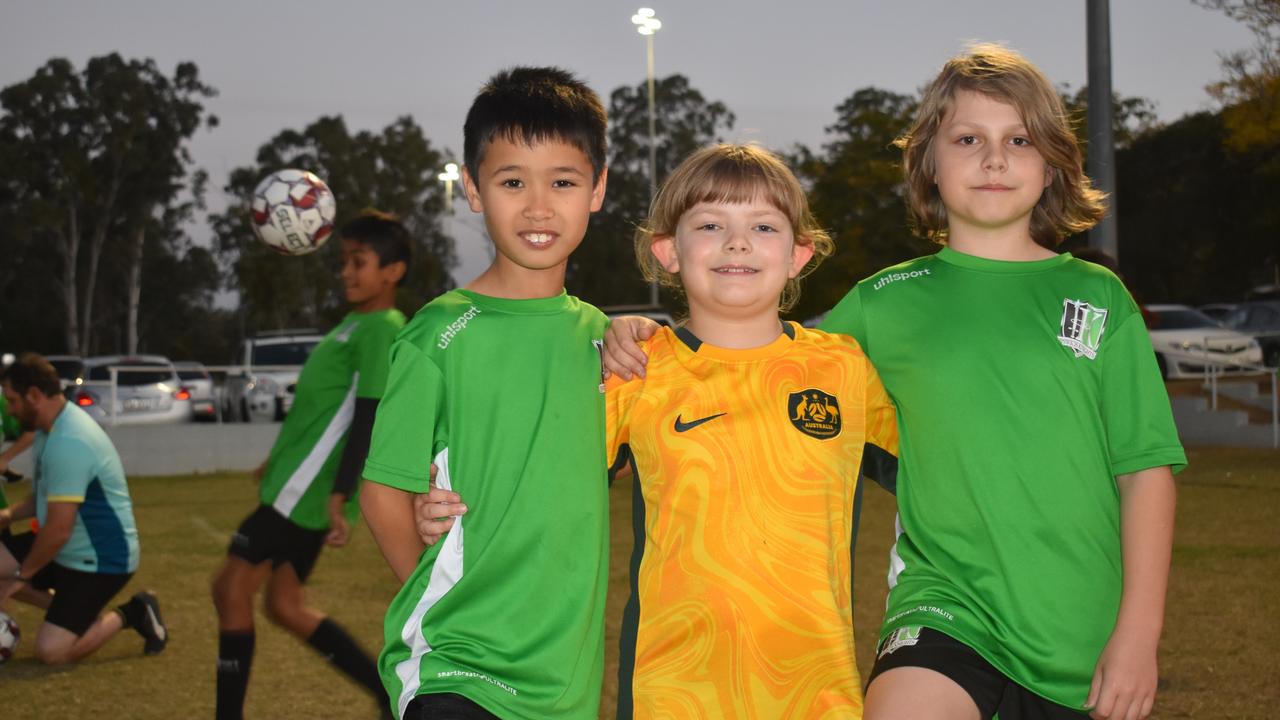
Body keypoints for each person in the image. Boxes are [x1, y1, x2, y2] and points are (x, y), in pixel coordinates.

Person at [604, 44, 1185, 720]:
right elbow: (752, 353)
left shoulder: (1099, 298)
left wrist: (1138, 636)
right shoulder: (881, 305)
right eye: (968, 138)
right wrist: (646, 341)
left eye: (1019, 139)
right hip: (945, 609)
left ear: (1053, 161)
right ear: (929, 164)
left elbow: (1145, 472)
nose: (993, 158)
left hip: (1079, 623)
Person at [415, 144, 901, 718]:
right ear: (667, 250)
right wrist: (442, 506)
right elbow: (534, 488)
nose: (737, 242)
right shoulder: (636, 369)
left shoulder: (845, 369)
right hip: (671, 691)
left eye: (763, 226)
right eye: (711, 224)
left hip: (818, 693)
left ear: (799, 254)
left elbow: (943, 483)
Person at [359, 66, 611, 720]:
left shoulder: (606, 341)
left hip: (565, 682)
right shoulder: (438, 336)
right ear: (472, 188)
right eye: (511, 182)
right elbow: (386, 490)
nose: (537, 206)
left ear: (598, 190)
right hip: (459, 668)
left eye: (562, 182)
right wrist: (439, 581)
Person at [211, 210, 410, 720]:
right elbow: (324, 409)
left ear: (393, 272)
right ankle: (386, 697)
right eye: (343, 261)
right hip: (294, 483)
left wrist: (341, 494)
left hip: (308, 492)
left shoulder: (383, 328)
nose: (346, 272)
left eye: (359, 262)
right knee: (285, 605)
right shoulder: (353, 323)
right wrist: (275, 458)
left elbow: (368, 417)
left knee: (230, 588)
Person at [0, 353, 167, 664]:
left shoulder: (70, 441)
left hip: (102, 560)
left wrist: (20, 578)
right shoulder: (46, 431)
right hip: (66, 547)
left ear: (34, 396)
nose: (10, 410)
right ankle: (72, 614)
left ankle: (133, 611)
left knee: (51, 652)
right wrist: (8, 516)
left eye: (12, 400)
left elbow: (59, 530)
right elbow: (42, 501)